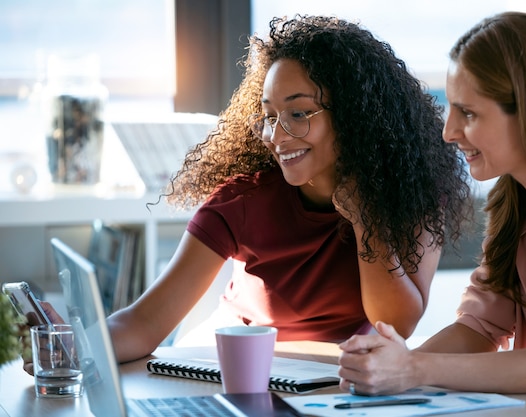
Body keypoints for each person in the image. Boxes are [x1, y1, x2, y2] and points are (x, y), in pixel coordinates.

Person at [31, 15, 470, 368]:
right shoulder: (243, 200)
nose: (276, 136)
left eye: (298, 113)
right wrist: (74, 345)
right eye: (268, 116)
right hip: (241, 366)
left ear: (357, 116)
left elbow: (395, 323)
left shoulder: (411, 192)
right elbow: (146, 321)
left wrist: (363, 217)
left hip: (345, 375)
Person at [337, 11, 526, 417]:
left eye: (468, 113)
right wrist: (386, 366)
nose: (449, 132)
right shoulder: (518, 200)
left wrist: (410, 369)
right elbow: (479, 327)